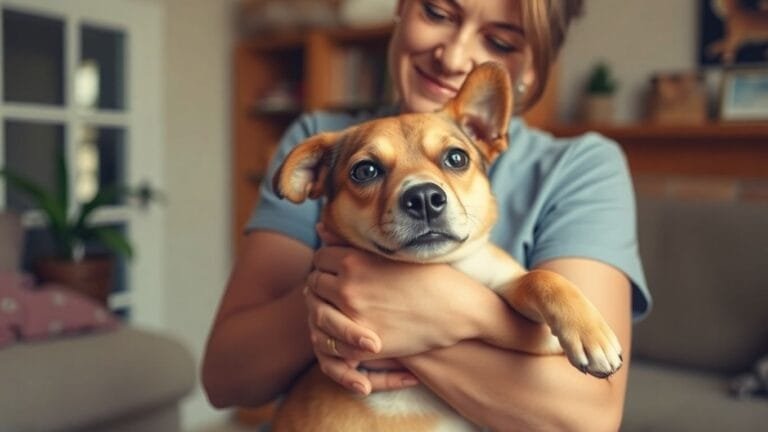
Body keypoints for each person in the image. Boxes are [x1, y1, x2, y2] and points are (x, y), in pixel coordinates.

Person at [202, 0, 651, 430]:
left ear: (533, 68)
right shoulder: (320, 137)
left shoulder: (581, 167)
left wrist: (429, 309)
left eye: (501, 41)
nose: (455, 57)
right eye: (437, 12)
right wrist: (328, 300)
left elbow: (587, 417)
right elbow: (224, 380)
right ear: (401, 7)